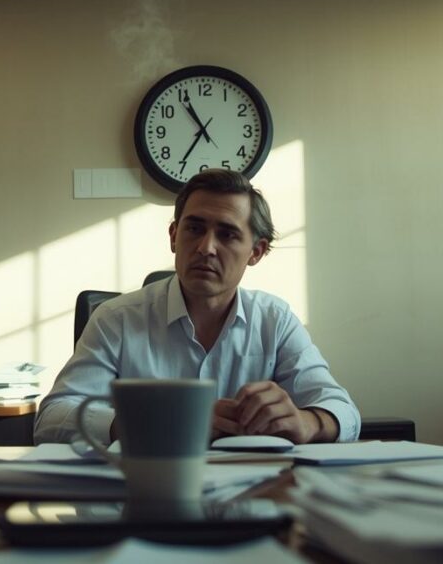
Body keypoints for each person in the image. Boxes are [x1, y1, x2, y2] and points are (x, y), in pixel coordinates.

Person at [34, 169, 359, 445]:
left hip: (252, 497)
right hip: (141, 496)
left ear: (256, 252)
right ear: (174, 236)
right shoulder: (115, 320)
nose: (206, 248)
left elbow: (342, 410)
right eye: (194, 228)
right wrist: (161, 425)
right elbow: (52, 419)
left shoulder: (274, 320)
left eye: (228, 234)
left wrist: (307, 423)